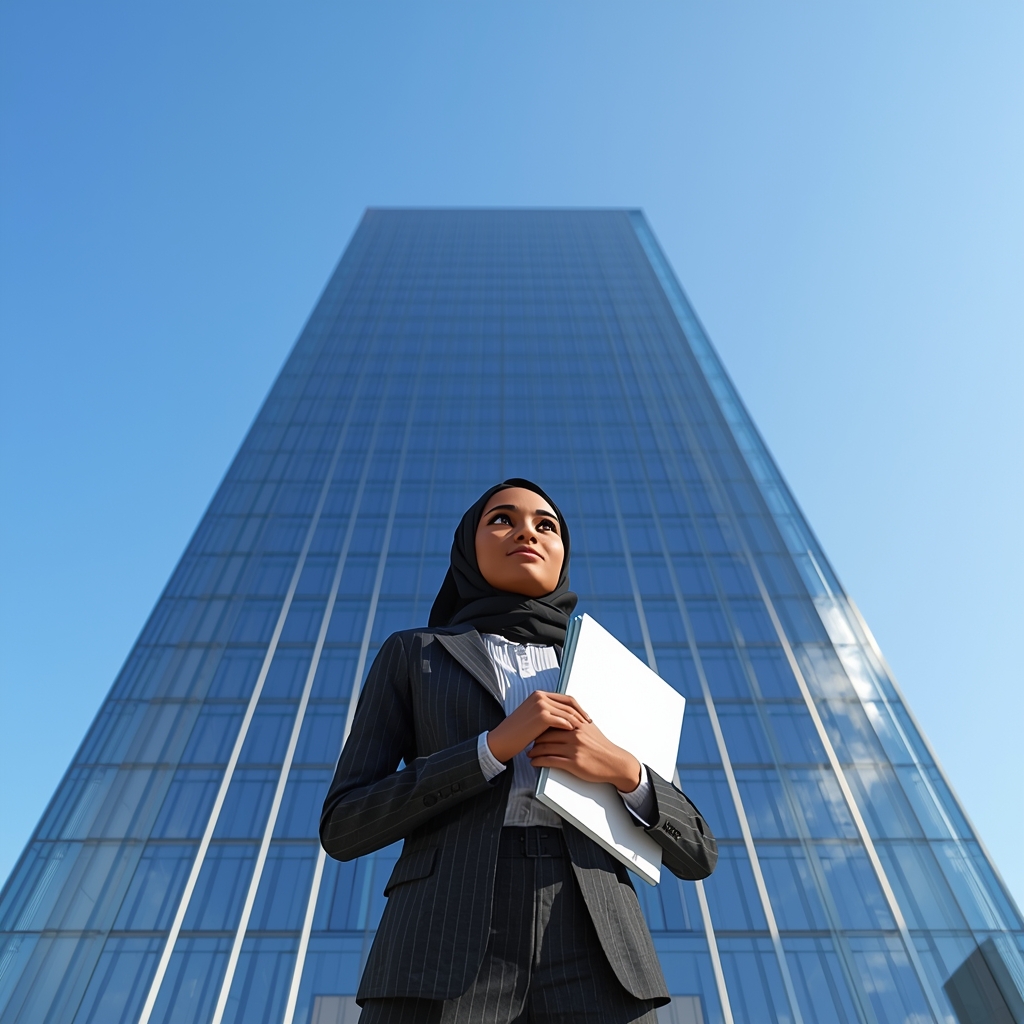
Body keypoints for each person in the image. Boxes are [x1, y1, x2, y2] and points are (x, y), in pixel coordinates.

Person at [320, 479, 717, 1023]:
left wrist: (624, 770)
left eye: (545, 525)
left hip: (598, 943)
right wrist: (490, 748)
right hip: (440, 940)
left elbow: (698, 852)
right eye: (502, 519)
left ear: (562, 554)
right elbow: (344, 824)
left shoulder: (612, 674)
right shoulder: (416, 653)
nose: (526, 531)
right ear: (468, 547)